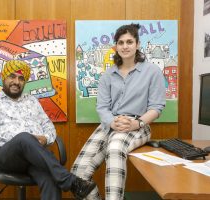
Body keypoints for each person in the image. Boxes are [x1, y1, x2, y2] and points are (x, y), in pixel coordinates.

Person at [71, 24, 166, 200]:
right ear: (116, 46)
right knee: (77, 174)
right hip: (109, 124)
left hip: (138, 125)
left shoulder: (152, 71)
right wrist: (111, 122)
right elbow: (102, 107)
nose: (125, 46)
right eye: (121, 42)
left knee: (114, 148)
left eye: (129, 41)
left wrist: (137, 123)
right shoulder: (108, 75)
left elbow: (156, 107)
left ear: (137, 44)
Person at [0, 60, 96, 200]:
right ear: (4, 78)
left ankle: (67, 180)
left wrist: (46, 138)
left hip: (34, 157)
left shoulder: (32, 101)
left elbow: (48, 126)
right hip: (5, 156)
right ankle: (71, 182)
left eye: (21, 78)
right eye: (12, 76)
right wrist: (20, 138)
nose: (16, 81)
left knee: (50, 177)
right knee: (23, 138)